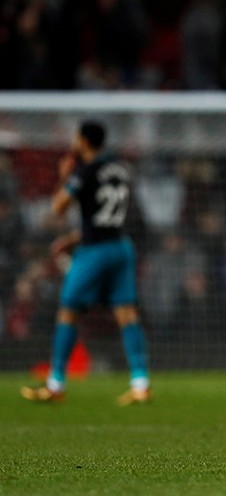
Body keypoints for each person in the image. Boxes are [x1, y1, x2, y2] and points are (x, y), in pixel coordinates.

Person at [21, 120, 151, 405]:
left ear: (83, 141)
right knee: (127, 315)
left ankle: (56, 384)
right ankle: (141, 383)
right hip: (121, 246)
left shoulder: (84, 171)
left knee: (68, 313)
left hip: (94, 251)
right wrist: (76, 236)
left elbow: (57, 207)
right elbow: (106, 215)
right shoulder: (120, 169)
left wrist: (64, 177)